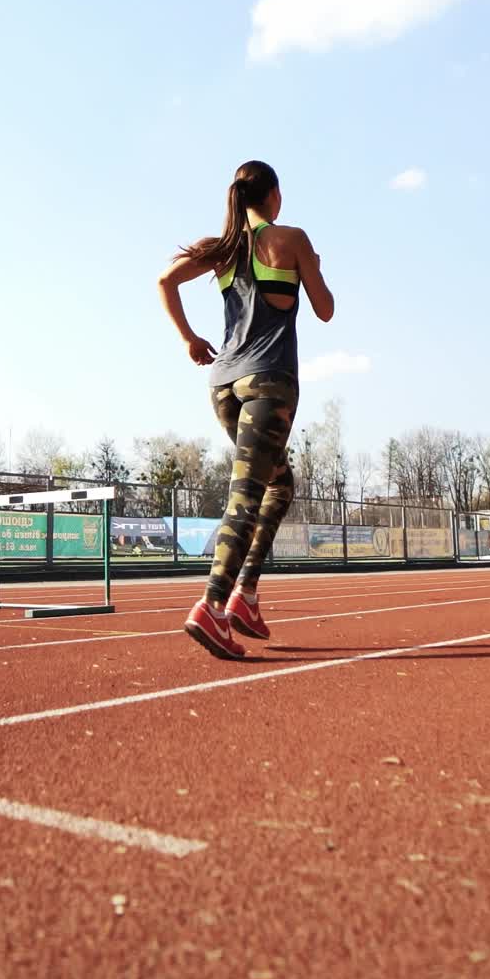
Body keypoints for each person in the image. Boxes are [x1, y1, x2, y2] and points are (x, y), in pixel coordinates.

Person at [158, 160, 334, 658]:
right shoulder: (291, 238)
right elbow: (325, 308)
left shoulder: (224, 248)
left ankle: (246, 597)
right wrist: (313, 266)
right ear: (274, 196)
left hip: (224, 387)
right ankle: (212, 607)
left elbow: (165, 282)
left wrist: (190, 340)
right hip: (269, 384)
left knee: (279, 485)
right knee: (247, 495)